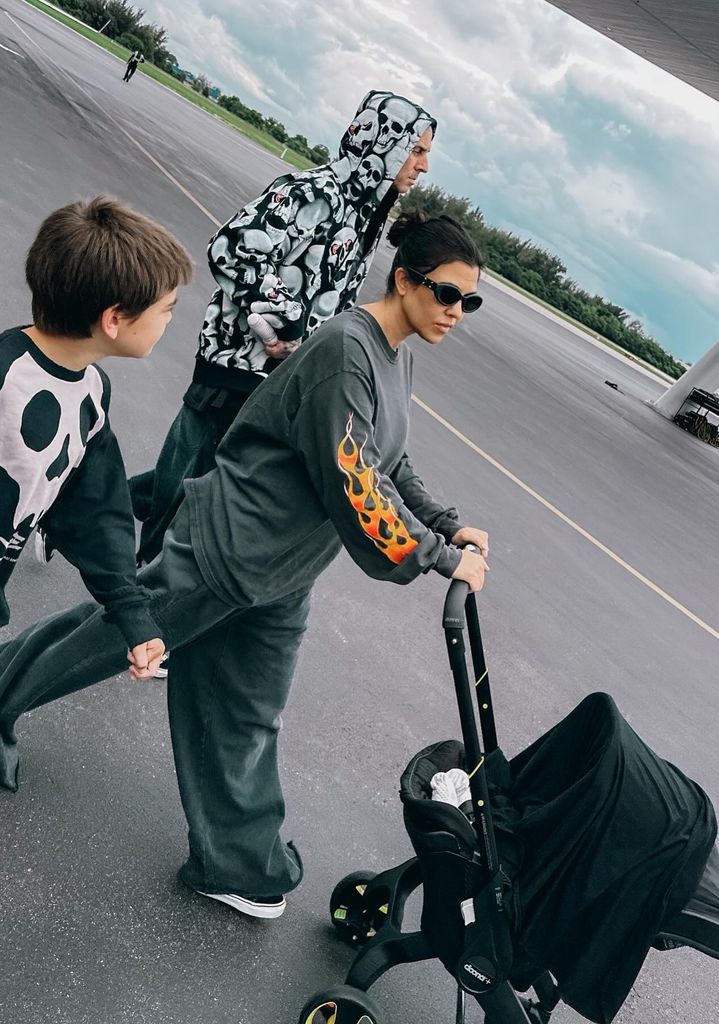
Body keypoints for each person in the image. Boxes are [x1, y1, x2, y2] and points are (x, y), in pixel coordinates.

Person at [0, 211, 490, 921]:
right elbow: (355, 480)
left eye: (469, 302)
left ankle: (237, 863)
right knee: (98, 642)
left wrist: (445, 519)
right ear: (405, 279)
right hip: (228, 547)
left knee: (247, 714)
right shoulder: (346, 349)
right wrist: (442, 557)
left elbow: (390, 456)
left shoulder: (396, 352)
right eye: (447, 294)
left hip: (279, 571)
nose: (456, 313)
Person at [129, 89, 436, 567]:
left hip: (278, 389)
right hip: (233, 373)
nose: (422, 166)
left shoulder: (365, 217)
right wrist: (286, 316)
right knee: (179, 501)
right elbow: (230, 248)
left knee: (205, 490)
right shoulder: (312, 193)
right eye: (416, 150)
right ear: (384, 144)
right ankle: (129, 608)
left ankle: (88, 511)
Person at [0, 196, 191, 675]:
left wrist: (134, 616)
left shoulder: (90, 392)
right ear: (114, 319)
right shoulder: (5, 376)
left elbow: (95, 510)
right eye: (166, 309)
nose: (170, 320)